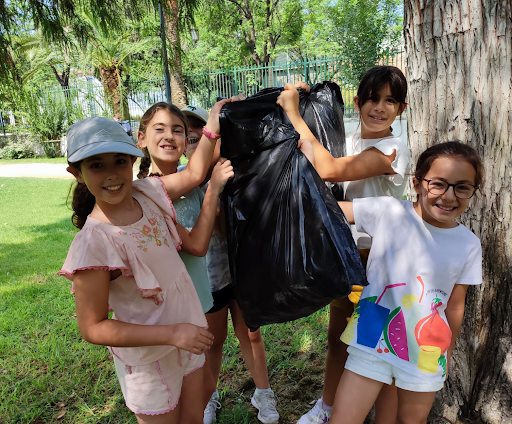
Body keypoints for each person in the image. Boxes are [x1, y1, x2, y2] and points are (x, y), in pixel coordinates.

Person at [59, 115, 234, 424]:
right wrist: (172, 333)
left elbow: (194, 181)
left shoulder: (148, 195)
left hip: (188, 337)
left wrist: (212, 133)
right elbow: (93, 327)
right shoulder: (94, 243)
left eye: (119, 161)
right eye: (96, 165)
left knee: (194, 417)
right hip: (150, 362)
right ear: (77, 173)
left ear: (132, 161)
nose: (112, 174)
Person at [277, 66, 410, 423]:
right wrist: (302, 101)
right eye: (371, 99)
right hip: (347, 255)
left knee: (382, 348)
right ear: (358, 101)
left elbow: (330, 169)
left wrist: (293, 113)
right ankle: (327, 406)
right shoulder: (350, 138)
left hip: (382, 261)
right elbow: (314, 144)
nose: (379, 108)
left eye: (390, 101)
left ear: (402, 108)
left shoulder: (393, 150)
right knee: (338, 339)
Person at [330, 141, 483, 424]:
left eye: (462, 187)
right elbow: (330, 211)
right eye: (438, 184)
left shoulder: (470, 245)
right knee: (343, 418)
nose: (449, 196)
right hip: (370, 338)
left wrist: (446, 353)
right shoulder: (389, 211)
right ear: (417, 184)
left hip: (425, 352)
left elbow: (455, 306)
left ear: (473, 192)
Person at [202, 189, 279, 424]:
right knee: (213, 341)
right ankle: (207, 395)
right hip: (209, 278)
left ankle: (263, 393)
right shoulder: (184, 181)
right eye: (192, 147)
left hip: (241, 273)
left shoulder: (234, 178)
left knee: (251, 334)